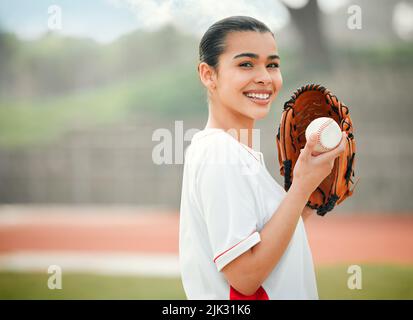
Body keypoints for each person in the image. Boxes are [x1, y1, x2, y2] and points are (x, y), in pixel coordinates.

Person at [179, 15, 346, 300]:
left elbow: (272, 252)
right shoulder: (220, 153)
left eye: (272, 64)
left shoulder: (235, 153)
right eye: (246, 64)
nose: (265, 77)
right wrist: (302, 186)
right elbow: (245, 277)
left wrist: (304, 201)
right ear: (208, 75)